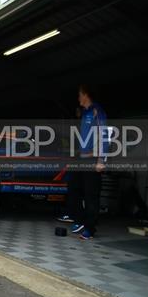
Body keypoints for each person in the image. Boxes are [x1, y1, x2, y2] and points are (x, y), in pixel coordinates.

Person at [56, 84, 108, 240]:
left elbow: (104, 135)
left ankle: (90, 229)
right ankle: (78, 220)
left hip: (93, 158)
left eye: (79, 94)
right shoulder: (85, 112)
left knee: (91, 195)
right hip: (82, 158)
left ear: (85, 94)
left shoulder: (96, 111)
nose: (78, 97)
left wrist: (101, 160)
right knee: (73, 187)